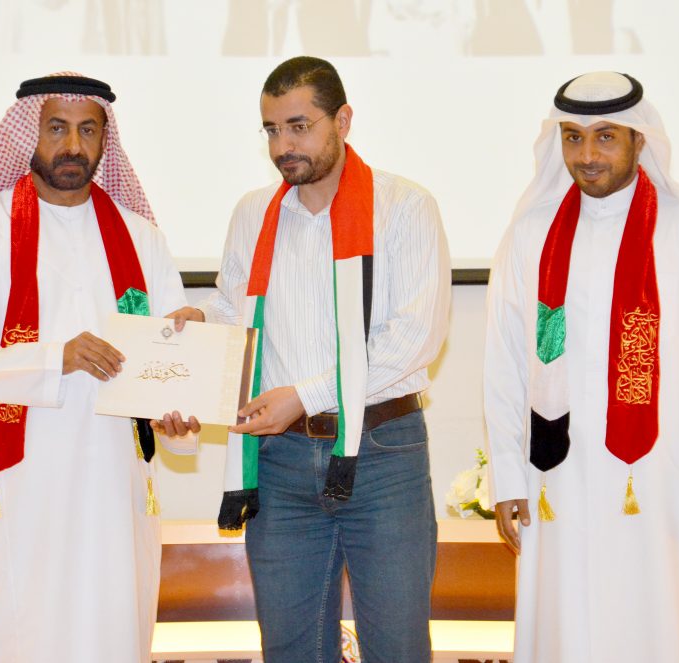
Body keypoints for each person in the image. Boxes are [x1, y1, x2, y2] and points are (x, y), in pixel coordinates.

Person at [166, 56, 451, 662]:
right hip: (281, 460)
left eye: (299, 127)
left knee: (397, 649)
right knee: (290, 650)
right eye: (271, 130)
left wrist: (304, 395)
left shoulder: (405, 206)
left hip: (383, 454)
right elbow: (235, 309)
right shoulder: (253, 212)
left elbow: (413, 340)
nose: (282, 147)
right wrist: (198, 331)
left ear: (342, 121)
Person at [483, 71, 679, 663]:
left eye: (605, 137)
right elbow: (504, 365)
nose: (587, 155)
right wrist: (507, 479)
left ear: (640, 139)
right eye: (573, 137)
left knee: (663, 629)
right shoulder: (530, 237)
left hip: (667, 483)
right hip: (555, 482)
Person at [0, 73, 193, 663]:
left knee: (111, 627)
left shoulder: (142, 239)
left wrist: (179, 413)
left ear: (104, 141)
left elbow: (172, 367)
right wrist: (50, 359)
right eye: (56, 128)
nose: (72, 145)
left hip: (115, 487)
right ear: (27, 134)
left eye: (88, 130)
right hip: (19, 485)